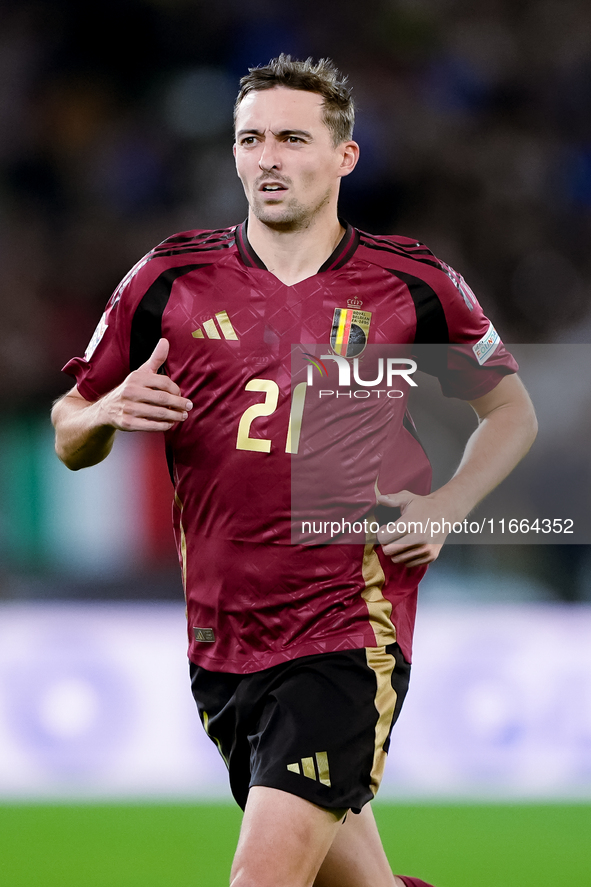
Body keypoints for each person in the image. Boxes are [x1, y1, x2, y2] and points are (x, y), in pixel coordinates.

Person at [52, 55, 537, 887]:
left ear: (343, 156)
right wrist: (104, 413)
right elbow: (70, 427)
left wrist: (448, 504)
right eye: (250, 139)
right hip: (222, 638)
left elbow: (511, 411)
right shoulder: (167, 279)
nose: (267, 157)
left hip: (346, 629)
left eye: (290, 138)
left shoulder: (411, 283)